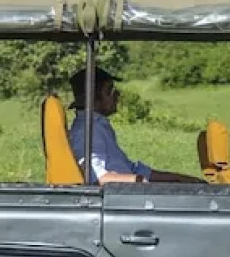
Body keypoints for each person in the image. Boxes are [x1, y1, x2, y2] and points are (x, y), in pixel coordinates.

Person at [67, 66, 202, 184]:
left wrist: (177, 178)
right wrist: (139, 181)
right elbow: (97, 178)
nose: (117, 94)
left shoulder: (98, 126)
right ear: (93, 97)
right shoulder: (86, 131)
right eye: (110, 91)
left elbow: (131, 169)